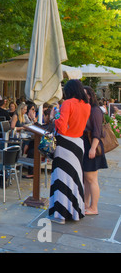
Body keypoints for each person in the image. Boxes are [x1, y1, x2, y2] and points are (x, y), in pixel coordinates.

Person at [48, 79, 91, 224]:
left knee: (62, 176)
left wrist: (55, 116)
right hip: (78, 143)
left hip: (65, 143)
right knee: (75, 177)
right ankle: (75, 211)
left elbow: (62, 127)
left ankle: (60, 214)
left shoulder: (67, 103)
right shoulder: (86, 105)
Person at [82, 86, 108, 216]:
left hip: (93, 145)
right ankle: (86, 204)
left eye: (84, 94)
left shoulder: (95, 110)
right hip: (87, 144)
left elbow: (97, 132)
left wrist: (92, 148)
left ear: (90, 96)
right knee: (87, 178)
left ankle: (94, 207)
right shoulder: (88, 109)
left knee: (92, 178)